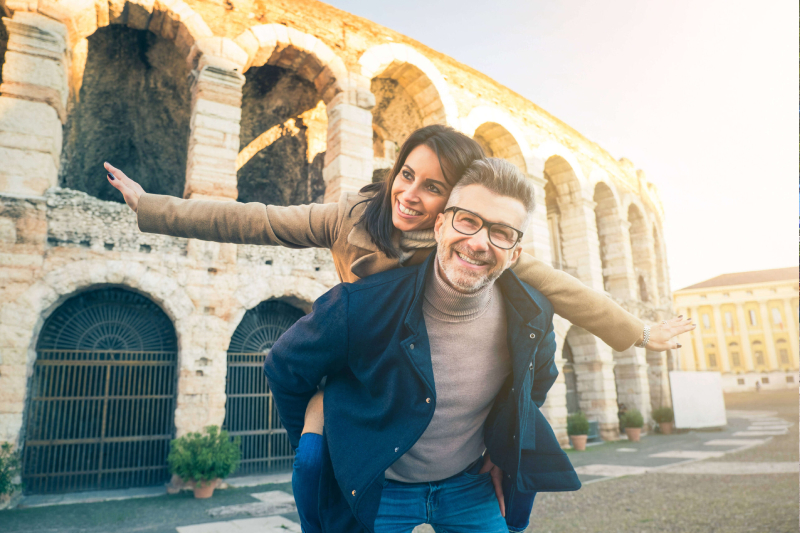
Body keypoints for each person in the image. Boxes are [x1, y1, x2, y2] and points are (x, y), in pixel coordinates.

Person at [104, 125, 693, 531]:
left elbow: (564, 289)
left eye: (432, 187)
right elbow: (257, 221)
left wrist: (639, 333)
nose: (410, 195)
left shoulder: (471, 238)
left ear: (454, 203)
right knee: (313, 465)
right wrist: (153, 207)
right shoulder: (353, 215)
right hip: (357, 363)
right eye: (406, 175)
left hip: (422, 372)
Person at [264, 158, 580, 533]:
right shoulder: (359, 304)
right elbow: (284, 367)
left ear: (515, 253)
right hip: (375, 489)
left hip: (469, 484)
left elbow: (538, 380)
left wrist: (500, 446)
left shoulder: (532, 314)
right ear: (439, 224)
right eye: (467, 220)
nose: (479, 242)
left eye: (502, 232)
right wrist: (319, 443)